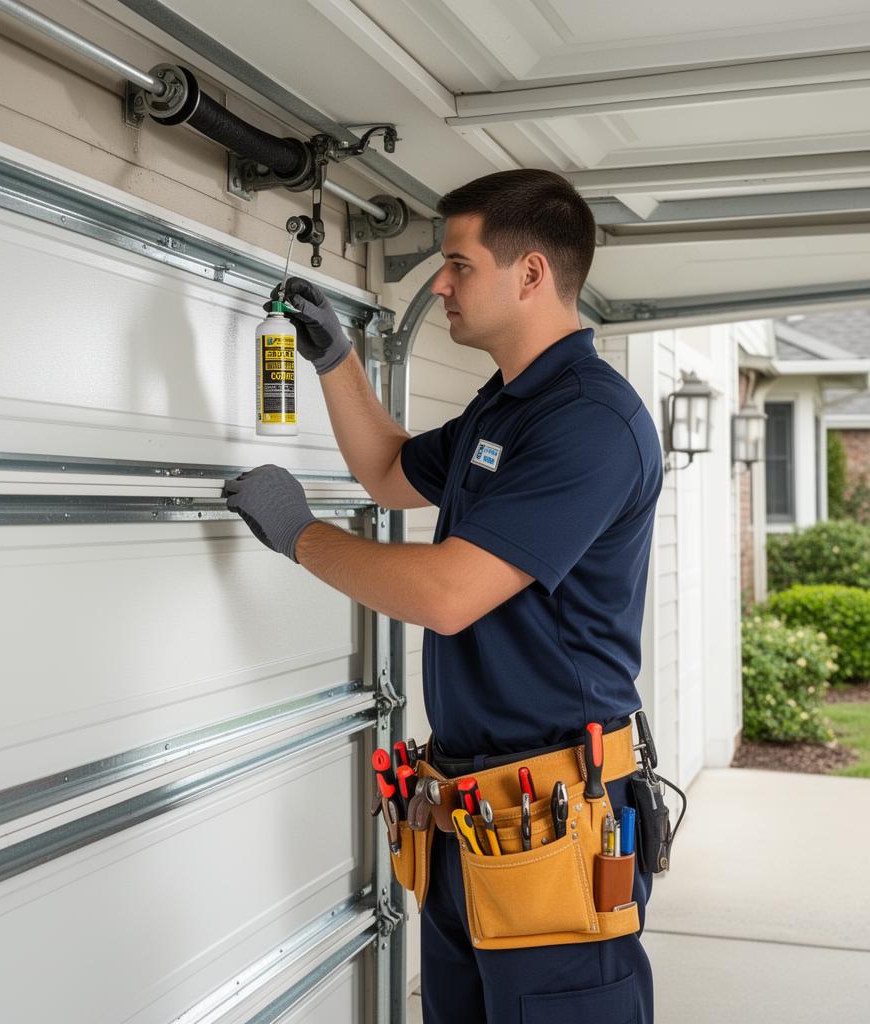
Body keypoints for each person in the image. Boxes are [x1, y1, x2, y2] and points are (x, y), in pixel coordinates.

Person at [223, 168, 663, 1023]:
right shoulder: (507, 408)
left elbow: (451, 594)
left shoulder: (588, 422)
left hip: (558, 822)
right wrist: (336, 361)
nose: (439, 283)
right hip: (474, 817)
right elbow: (390, 472)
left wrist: (304, 538)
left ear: (530, 273)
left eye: (458, 263)